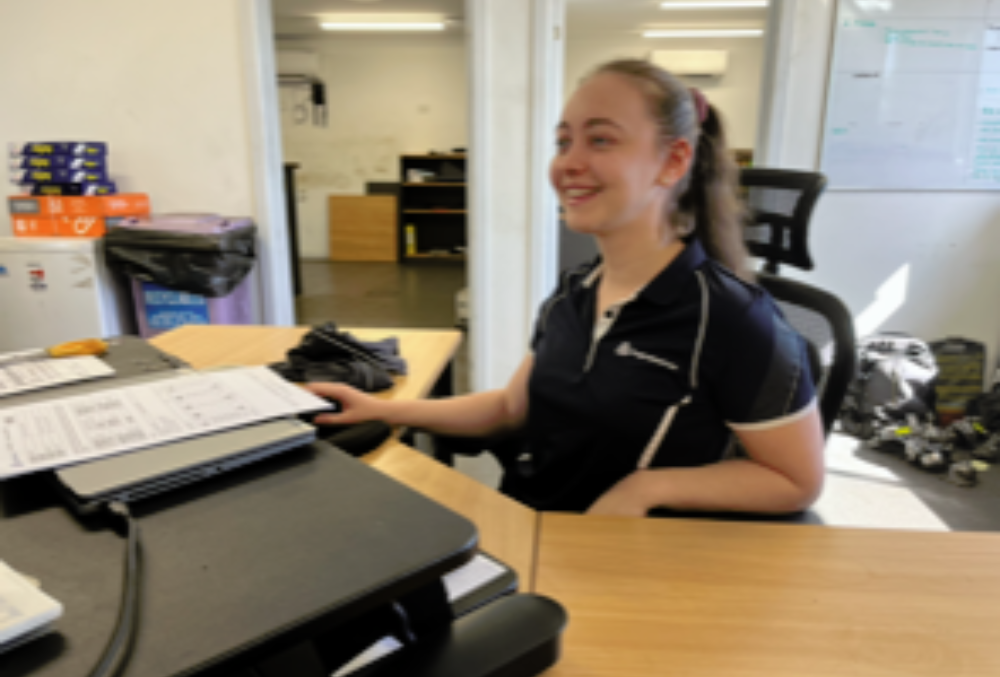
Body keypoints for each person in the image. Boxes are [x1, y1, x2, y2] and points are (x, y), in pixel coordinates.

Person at [308, 59, 825, 518]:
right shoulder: (574, 291)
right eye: (563, 142)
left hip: (622, 562)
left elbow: (795, 480)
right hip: (531, 527)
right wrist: (382, 409)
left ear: (673, 161)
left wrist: (647, 488)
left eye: (600, 139)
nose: (567, 164)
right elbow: (513, 408)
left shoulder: (734, 319)